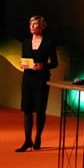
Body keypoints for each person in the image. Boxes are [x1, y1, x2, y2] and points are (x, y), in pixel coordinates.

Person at [15, 15, 58, 152]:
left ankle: (38, 137)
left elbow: (55, 63)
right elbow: (23, 59)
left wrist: (43, 65)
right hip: (27, 78)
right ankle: (27, 140)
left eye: (35, 24)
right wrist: (22, 64)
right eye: (30, 24)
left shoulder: (48, 42)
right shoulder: (26, 42)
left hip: (41, 79)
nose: (32, 27)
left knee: (40, 110)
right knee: (27, 109)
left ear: (42, 26)